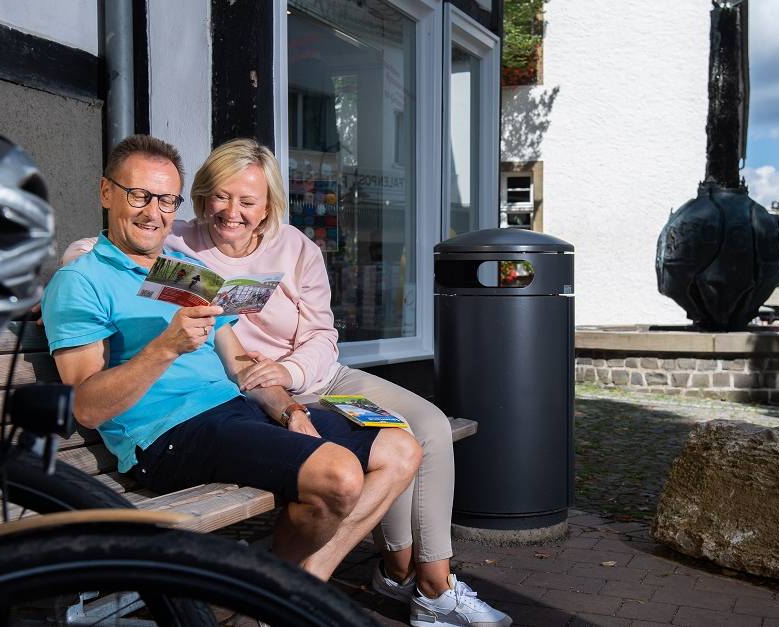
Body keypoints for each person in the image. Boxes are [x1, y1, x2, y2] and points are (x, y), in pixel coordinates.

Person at [65, 137, 512, 627]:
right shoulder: (163, 250)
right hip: (186, 423)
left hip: (308, 379)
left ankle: (307, 593)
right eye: (220, 196)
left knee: (412, 439)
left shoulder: (268, 252)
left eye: (247, 201)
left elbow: (287, 348)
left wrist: (290, 400)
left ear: (267, 206)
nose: (231, 211)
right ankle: (351, 589)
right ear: (107, 192)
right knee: (341, 472)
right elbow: (87, 395)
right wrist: (156, 334)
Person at [44, 135, 421, 582]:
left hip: (234, 412)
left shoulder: (181, 270)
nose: (153, 212)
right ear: (107, 192)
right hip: (168, 435)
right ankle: (288, 596)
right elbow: (85, 407)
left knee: (400, 448)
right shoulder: (80, 281)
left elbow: (240, 363)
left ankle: (294, 586)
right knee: (339, 475)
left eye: (167, 200)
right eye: (139, 195)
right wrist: (165, 348)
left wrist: (290, 410)